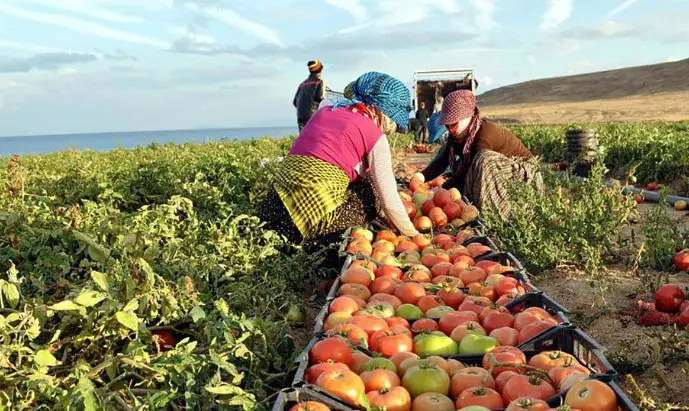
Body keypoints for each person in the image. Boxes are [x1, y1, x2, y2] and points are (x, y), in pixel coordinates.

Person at [261, 71, 419, 248]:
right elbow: (388, 199)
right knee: (372, 195)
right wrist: (413, 235)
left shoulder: (325, 112)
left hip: (274, 207)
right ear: (384, 112)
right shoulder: (374, 134)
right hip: (311, 224)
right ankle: (318, 241)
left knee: (354, 181)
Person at [420, 90, 542, 219]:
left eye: (454, 124)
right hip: (499, 174)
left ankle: (497, 215)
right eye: (447, 125)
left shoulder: (485, 133)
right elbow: (441, 161)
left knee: (483, 159)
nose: (450, 129)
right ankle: (472, 209)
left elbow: (469, 168)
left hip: (523, 175)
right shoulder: (457, 135)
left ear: (467, 116)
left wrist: (442, 190)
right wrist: (420, 177)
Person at [293, 60, 327, 131]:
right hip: (312, 117)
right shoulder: (319, 82)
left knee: (303, 138)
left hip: (301, 116)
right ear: (320, 70)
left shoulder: (302, 84)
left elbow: (295, 102)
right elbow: (320, 98)